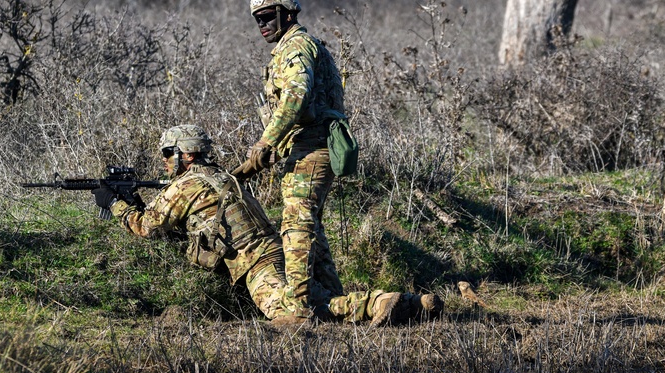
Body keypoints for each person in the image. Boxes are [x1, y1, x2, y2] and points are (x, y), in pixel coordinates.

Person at [93, 125, 441, 325]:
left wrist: (114, 202)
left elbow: (147, 227)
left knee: (295, 313)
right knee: (317, 300)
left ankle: (381, 301)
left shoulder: (186, 185)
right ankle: (412, 302)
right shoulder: (224, 177)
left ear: (185, 154)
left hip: (256, 263)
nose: (166, 162)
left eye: (169, 154)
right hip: (277, 250)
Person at [234, 0, 345, 323]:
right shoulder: (291, 46)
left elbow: (296, 97)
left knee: (296, 224)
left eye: (268, 16)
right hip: (307, 148)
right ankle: (337, 304)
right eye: (257, 20)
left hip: (313, 148)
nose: (262, 25)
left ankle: (297, 310)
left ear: (289, 13)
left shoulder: (297, 46)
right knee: (311, 228)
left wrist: (266, 143)